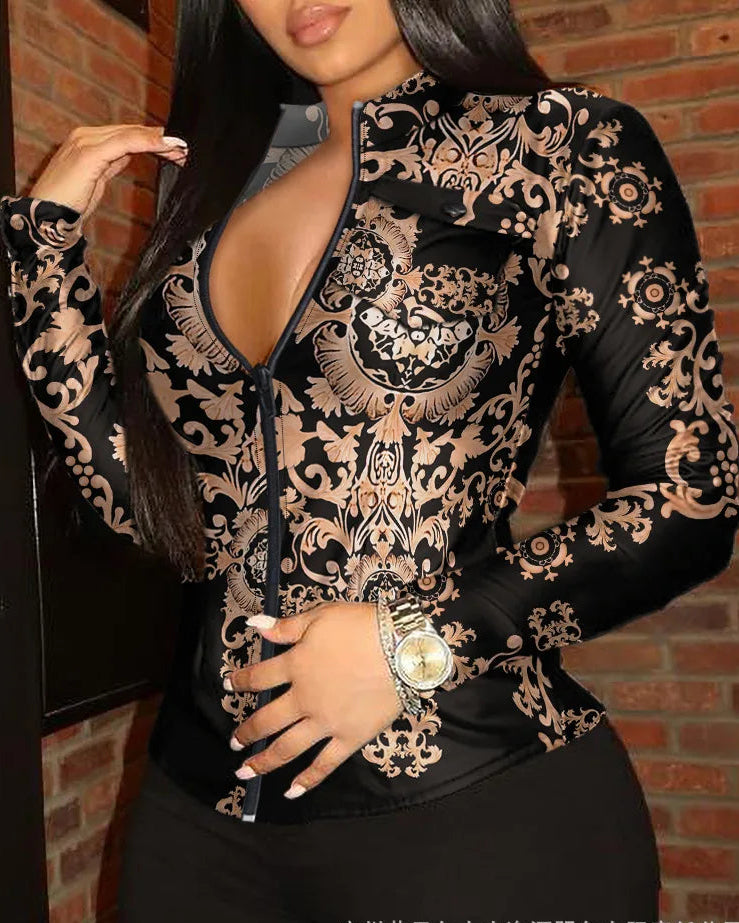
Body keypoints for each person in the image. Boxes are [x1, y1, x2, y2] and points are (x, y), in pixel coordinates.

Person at [1, 0, 737, 921]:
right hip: (196, 828)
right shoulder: (222, 194)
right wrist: (44, 253)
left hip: (475, 817)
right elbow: (149, 515)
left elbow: (690, 496)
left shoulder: (558, 144)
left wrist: (416, 644)